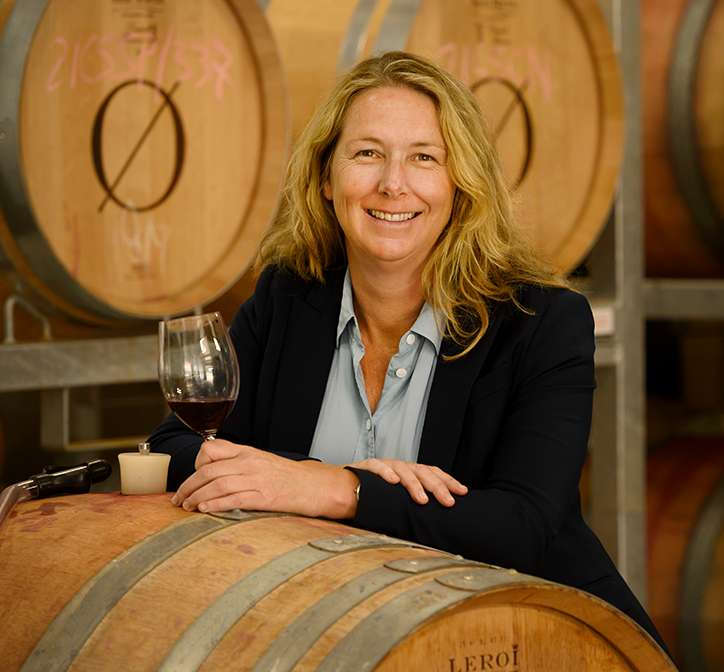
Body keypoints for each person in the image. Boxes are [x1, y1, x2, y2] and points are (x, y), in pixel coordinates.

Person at [148, 50, 666, 652]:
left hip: (534, 639)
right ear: (326, 176)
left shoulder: (541, 321)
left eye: (425, 158)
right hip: (340, 636)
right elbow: (172, 448)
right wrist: (308, 477)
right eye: (367, 153)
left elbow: (521, 528)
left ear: (459, 184)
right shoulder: (289, 295)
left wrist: (337, 489)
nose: (393, 183)